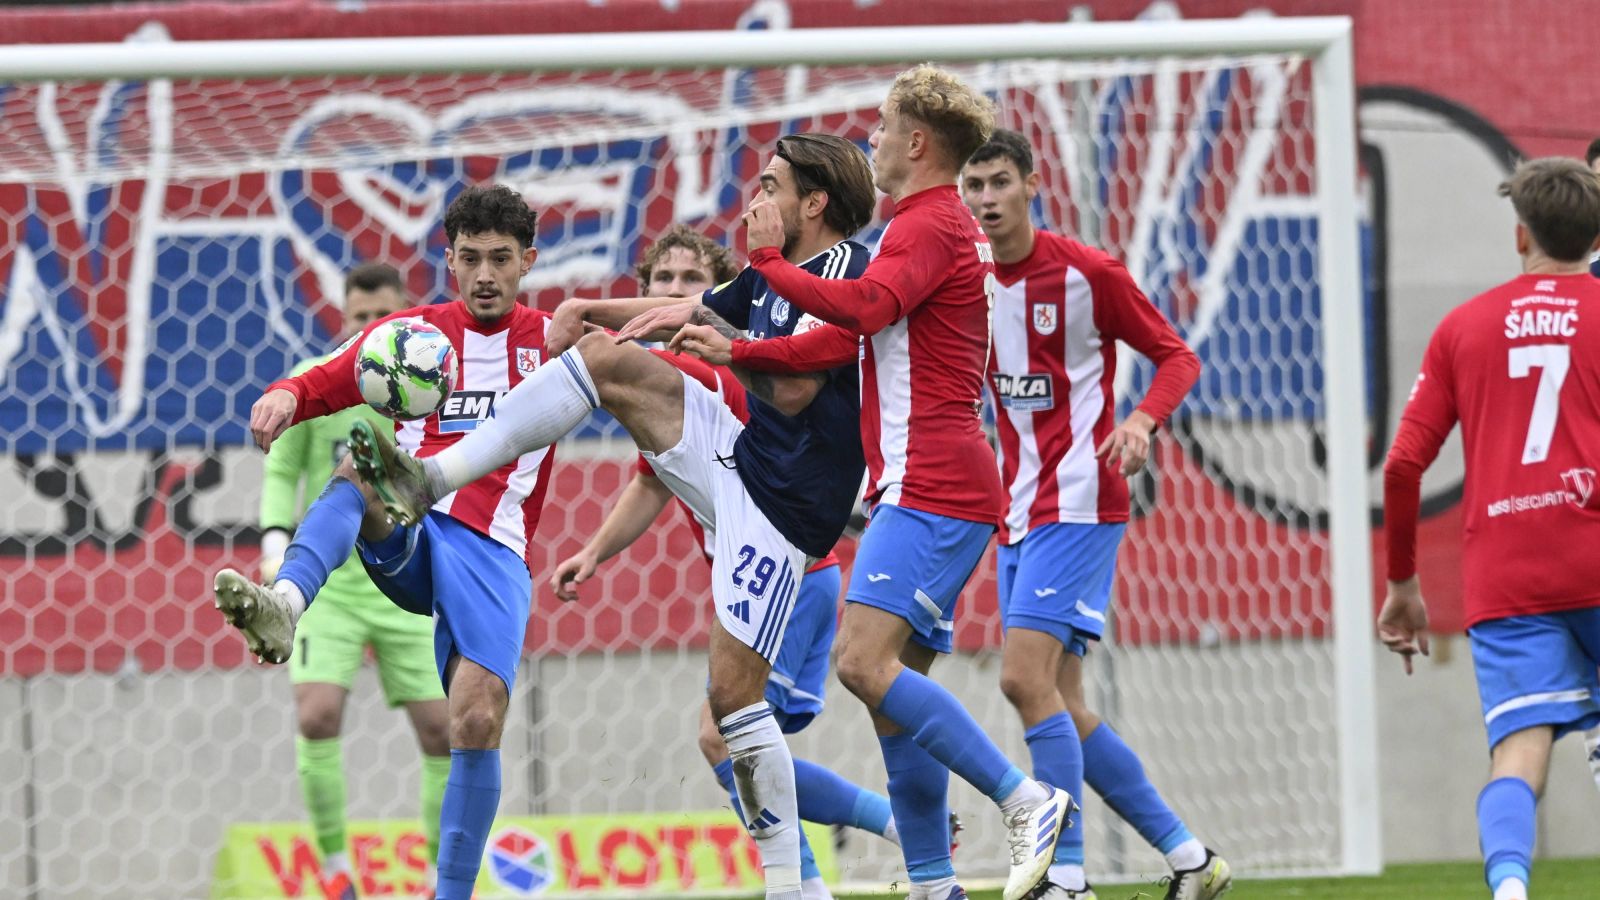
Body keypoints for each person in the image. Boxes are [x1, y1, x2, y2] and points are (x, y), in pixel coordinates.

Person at [346, 134, 888, 900]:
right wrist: (592, 307)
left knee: (731, 710)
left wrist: (736, 333)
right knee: (601, 360)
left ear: (813, 201)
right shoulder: (781, 278)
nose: (756, 201)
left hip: (785, 516)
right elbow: (692, 310)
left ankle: (835, 869)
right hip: (740, 467)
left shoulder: (840, 274)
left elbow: (794, 392)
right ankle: (436, 475)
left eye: (770, 186)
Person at [669, 66, 1072, 900]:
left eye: (883, 129)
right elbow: (835, 342)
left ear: (917, 143)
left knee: (859, 661)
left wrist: (769, 261)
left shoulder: (929, 225)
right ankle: (935, 885)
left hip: (934, 481)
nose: (873, 143)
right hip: (928, 483)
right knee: (894, 705)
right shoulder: (912, 230)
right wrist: (738, 348)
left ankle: (1026, 800)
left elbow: (860, 311)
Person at [212, 184, 558, 900]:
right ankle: (285, 600)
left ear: (528, 260)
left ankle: (450, 893)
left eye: (501, 258)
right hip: (411, 526)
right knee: (361, 459)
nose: (485, 274)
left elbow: (640, 375)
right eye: (470, 259)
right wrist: (286, 393)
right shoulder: (413, 337)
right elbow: (327, 377)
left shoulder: (555, 343)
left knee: (475, 716)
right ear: (450, 260)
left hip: (494, 550)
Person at [958, 130, 1222, 900]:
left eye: (999, 182)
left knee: (1020, 680)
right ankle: (1190, 860)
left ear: (1031, 185)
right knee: (1062, 703)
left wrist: (1140, 421)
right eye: (973, 187)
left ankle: (1065, 876)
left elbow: (1177, 356)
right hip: (1018, 510)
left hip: (1080, 500)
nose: (985, 200)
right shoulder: (967, 284)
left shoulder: (1087, 273)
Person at [1379, 157, 1600, 900]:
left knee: (1517, 752)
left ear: (1519, 235)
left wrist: (1404, 583)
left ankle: (1509, 889)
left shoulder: (1463, 327)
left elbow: (1403, 466)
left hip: (1507, 574)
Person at [258, 263, 451, 898]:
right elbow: (283, 468)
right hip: (333, 589)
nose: (370, 328)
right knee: (316, 717)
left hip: (406, 582)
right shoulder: (322, 382)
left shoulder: (429, 384)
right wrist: (273, 543)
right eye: (359, 317)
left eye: (381, 317)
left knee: (443, 731)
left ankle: (433, 878)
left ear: (406, 316)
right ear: (344, 316)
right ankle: (338, 874)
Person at [634, 223, 739, 297]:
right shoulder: (621, 329)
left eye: (692, 279)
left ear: (720, 294)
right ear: (647, 292)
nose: (675, 291)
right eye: (664, 278)